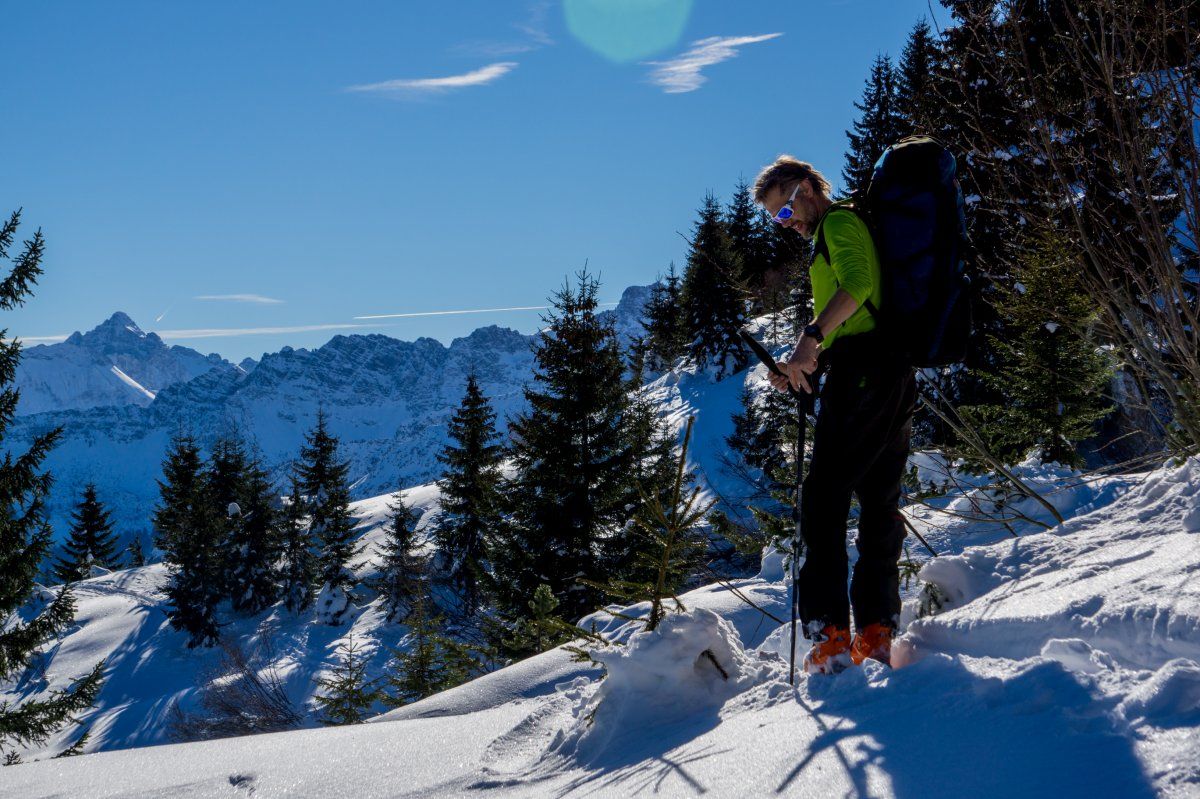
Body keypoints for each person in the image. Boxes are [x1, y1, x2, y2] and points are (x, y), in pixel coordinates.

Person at [753, 156, 916, 675]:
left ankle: (829, 634)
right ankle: (876, 630)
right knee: (877, 498)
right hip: (886, 371)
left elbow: (858, 286)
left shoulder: (840, 222)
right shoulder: (837, 228)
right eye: (777, 221)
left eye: (784, 211)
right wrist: (805, 366)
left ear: (804, 188)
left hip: (866, 375)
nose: (788, 225)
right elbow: (856, 315)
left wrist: (810, 338)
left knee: (823, 499)